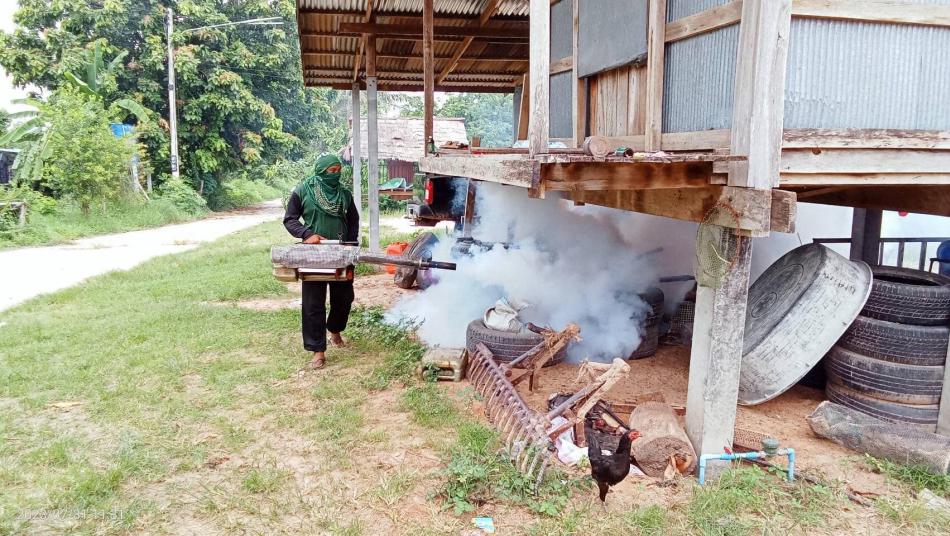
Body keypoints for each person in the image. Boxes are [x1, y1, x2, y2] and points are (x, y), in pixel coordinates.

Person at [283, 154, 360, 369]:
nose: (335, 175)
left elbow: (353, 220)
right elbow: (290, 219)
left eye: (338, 171)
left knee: (344, 298)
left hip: (340, 254)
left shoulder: (344, 194)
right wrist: (307, 234)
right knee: (313, 303)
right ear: (320, 171)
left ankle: (334, 329)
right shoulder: (303, 190)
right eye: (331, 171)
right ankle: (318, 351)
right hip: (314, 255)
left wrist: (351, 244)